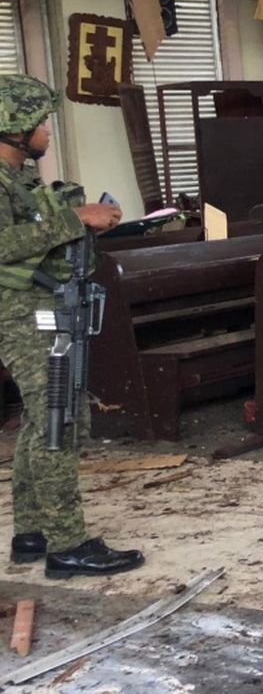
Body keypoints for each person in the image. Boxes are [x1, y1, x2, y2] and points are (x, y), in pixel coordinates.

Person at [0, 75, 143, 579]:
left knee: (42, 420)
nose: (47, 132)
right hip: (19, 314)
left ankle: (33, 532)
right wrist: (76, 218)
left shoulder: (17, 179)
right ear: (16, 126)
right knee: (57, 418)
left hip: (42, 307)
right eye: (41, 123)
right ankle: (68, 545)